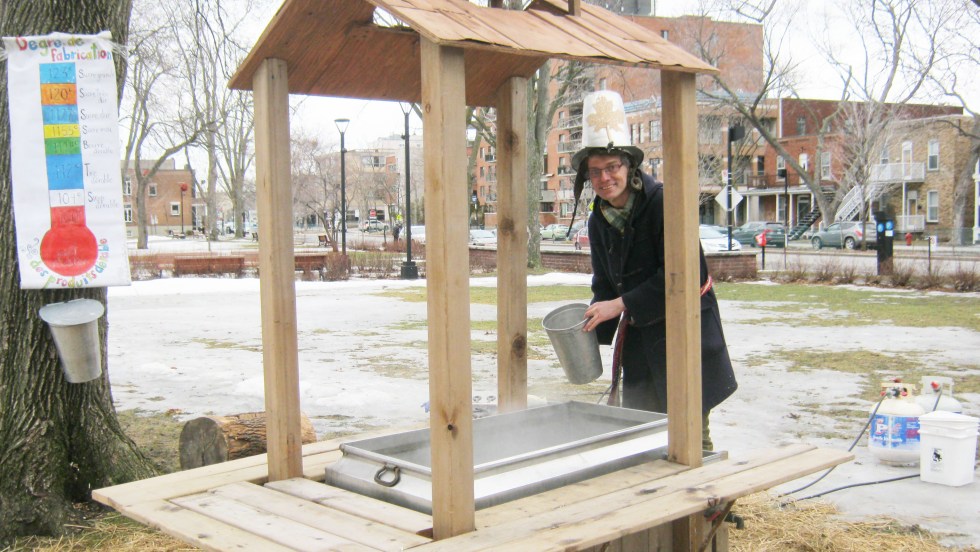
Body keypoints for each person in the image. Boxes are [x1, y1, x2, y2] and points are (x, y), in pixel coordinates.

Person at [574, 91, 737, 450]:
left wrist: (620, 305)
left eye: (612, 167)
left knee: (691, 432)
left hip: (685, 331)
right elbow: (605, 285)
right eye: (596, 171)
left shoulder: (664, 203)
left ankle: (704, 505)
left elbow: (685, 276)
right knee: (644, 436)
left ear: (628, 166)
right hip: (641, 341)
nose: (604, 178)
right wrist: (585, 334)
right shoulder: (598, 220)